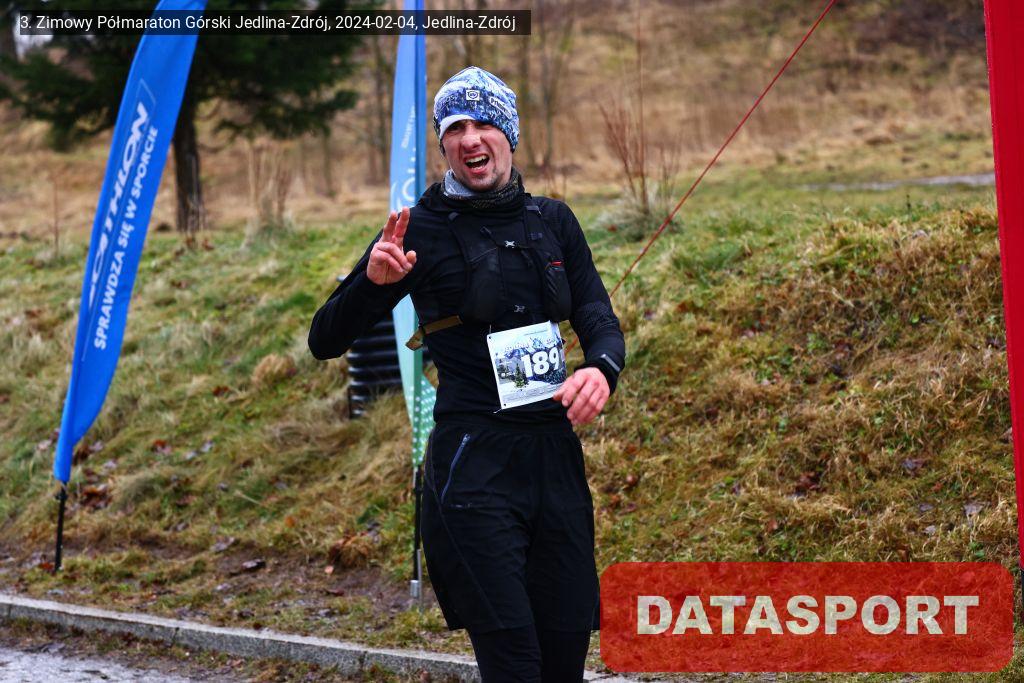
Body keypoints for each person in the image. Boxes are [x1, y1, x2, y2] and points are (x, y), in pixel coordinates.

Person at [308, 66, 626, 682]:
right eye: (455, 128)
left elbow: (596, 316)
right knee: (516, 667)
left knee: (563, 666)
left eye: (484, 124)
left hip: (554, 464)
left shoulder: (553, 221)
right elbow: (325, 338)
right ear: (443, 144)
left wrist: (601, 369)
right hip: (474, 467)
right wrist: (372, 285)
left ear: (509, 134)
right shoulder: (417, 230)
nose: (470, 139)